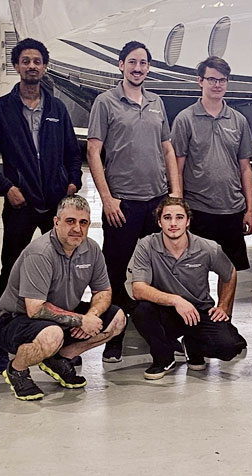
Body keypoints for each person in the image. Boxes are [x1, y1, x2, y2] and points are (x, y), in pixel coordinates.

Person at [0, 38, 82, 374]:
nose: (32, 66)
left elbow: (73, 154)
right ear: (17, 66)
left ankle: (59, 343)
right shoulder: (0, 110)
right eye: (26, 61)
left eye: (37, 61)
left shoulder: (57, 110)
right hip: (20, 205)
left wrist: (72, 183)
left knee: (62, 274)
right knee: (11, 274)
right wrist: (6, 188)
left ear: (45, 67)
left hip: (55, 206)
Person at [87, 41, 181, 362]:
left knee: (156, 271)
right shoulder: (105, 102)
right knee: (115, 271)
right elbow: (93, 152)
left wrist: (175, 194)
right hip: (122, 205)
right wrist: (107, 199)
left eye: (143, 63)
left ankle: (160, 333)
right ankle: (113, 334)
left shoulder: (157, 102)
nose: (138, 68)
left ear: (149, 68)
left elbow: (167, 148)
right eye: (132, 62)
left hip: (156, 203)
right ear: (120, 65)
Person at [0, 195, 126, 401]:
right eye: (70, 221)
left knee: (117, 319)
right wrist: (81, 320)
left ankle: (59, 359)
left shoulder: (91, 249)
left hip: (61, 314)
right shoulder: (40, 253)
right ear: (56, 222)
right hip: (15, 319)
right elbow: (35, 309)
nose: (77, 228)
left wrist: (92, 315)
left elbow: (103, 291)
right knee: (52, 334)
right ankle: (17, 370)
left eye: (83, 223)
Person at [128, 197, 247, 380]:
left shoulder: (207, 247)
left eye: (179, 217)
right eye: (167, 217)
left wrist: (224, 306)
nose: (173, 223)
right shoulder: (146, 245)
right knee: (141, 310)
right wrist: (175, 300)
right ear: (159, 222)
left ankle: (193, 346)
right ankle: (163, 358)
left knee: (229, 347)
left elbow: (229, 272)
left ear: (188, 221)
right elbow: (138, 289)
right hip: (166, 312)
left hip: (199, 311)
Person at [171, 56, 252, 270]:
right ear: (200, 81)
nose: (217, 85)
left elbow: (245, 168)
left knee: (230, 271)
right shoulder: (185, 119)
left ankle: (226, 299)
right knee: (194, 269)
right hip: (198, 209)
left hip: (232, 209)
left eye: (222, 80)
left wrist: (249, 209)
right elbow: (177, 169)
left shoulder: (238, 120)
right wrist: (179, 207)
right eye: (212, 79)